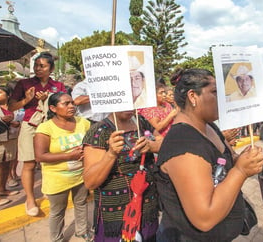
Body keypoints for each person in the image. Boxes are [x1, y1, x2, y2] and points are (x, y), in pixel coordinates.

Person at [155, 68, 263, 241]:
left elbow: (225, 161)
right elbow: (204, 218)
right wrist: (241, 171)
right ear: (193, 97)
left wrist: (243, 159)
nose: (222, 99)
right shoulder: (184, 144)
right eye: (215, 92)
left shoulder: (208, 126)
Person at [82, 110, 162, 242]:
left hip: (148, 212)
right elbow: (90, 182)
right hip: (117, 218)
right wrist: (111, 154)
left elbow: (162, 141)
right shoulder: (99, 131)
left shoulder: (140, 121)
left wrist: (152, 145)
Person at [9, 51, 66, 216]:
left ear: (51, 68)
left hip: (50, 126)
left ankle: (48, 189)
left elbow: (63, 105)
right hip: (30, 125)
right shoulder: (24, 84)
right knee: (29, 163)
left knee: (49, 162)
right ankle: (30, 199)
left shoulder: (58, 86)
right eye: (36, 65)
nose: (38, 68)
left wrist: (49, 98)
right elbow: (12, 107)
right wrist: (27, 100)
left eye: (42, 66)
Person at [34, 92, 93, 242]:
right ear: (53, 108)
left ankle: (82, 231)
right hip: (57, 179)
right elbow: (40, 156)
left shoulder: (83, 123)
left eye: (72, 103)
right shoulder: (45, 128)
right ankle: (57, 239)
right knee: (57, 211)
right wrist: (69, 156)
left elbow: (90, 144)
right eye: (65, 104)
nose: (71, 106)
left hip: (80, 175)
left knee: (81, 204)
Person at [0, 86, 20, 206]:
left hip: (11, 138)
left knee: (6, 164)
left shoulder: (15, 107)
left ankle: (2, 188)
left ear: (8, 95)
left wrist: (15, 123)